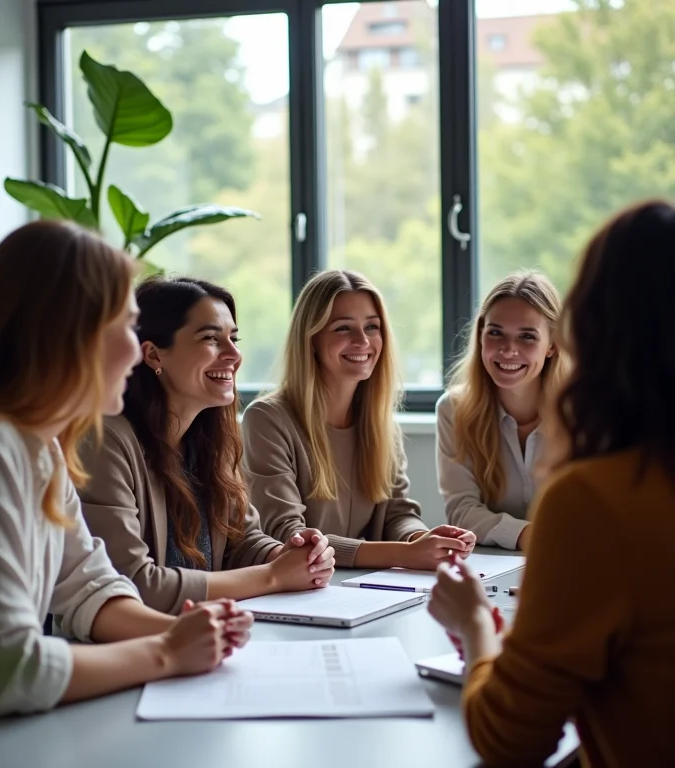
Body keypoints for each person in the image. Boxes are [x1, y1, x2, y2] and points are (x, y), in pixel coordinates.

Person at [0, 221, 251, 718]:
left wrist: (185, 631)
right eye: (124, 329)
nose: (137, 351)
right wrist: (167, 652)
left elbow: (89, 587)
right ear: (70, 335)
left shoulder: (39, 445)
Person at [428, 200, 675, 766]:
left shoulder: (595, 498)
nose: (509, 352)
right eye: (496, 335)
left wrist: (471, 623)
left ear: (580, 331)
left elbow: (510, 739)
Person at [78, 276, 335, 614]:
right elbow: (133, 583)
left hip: (205, 637)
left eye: (233, 338)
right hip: (129, 649)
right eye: (211, 339)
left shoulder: (210, 439)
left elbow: (240, 541)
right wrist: (274, 575)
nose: (234, 354)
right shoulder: (105, 440)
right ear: (154, 355)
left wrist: (292, 555)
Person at [243, 269, 475, 569]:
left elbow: (397, 514)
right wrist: (405, 554)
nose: (362, 341)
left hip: (367, 590)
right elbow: (291, 538)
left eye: (372, 327)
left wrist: (423, 539)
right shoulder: (267, 419)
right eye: (343, 328)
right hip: (298, 593)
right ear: (311, 338)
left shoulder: (380, 423)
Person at [436, 272, 568, 550]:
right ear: (481, 336)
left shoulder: (585, 411)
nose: (508, 350)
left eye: (527, 337)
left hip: (573, 557)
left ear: (552, 345)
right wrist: (533, 536)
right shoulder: (454, 409)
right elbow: (462, 510)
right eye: (495, 333)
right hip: (492, 567)